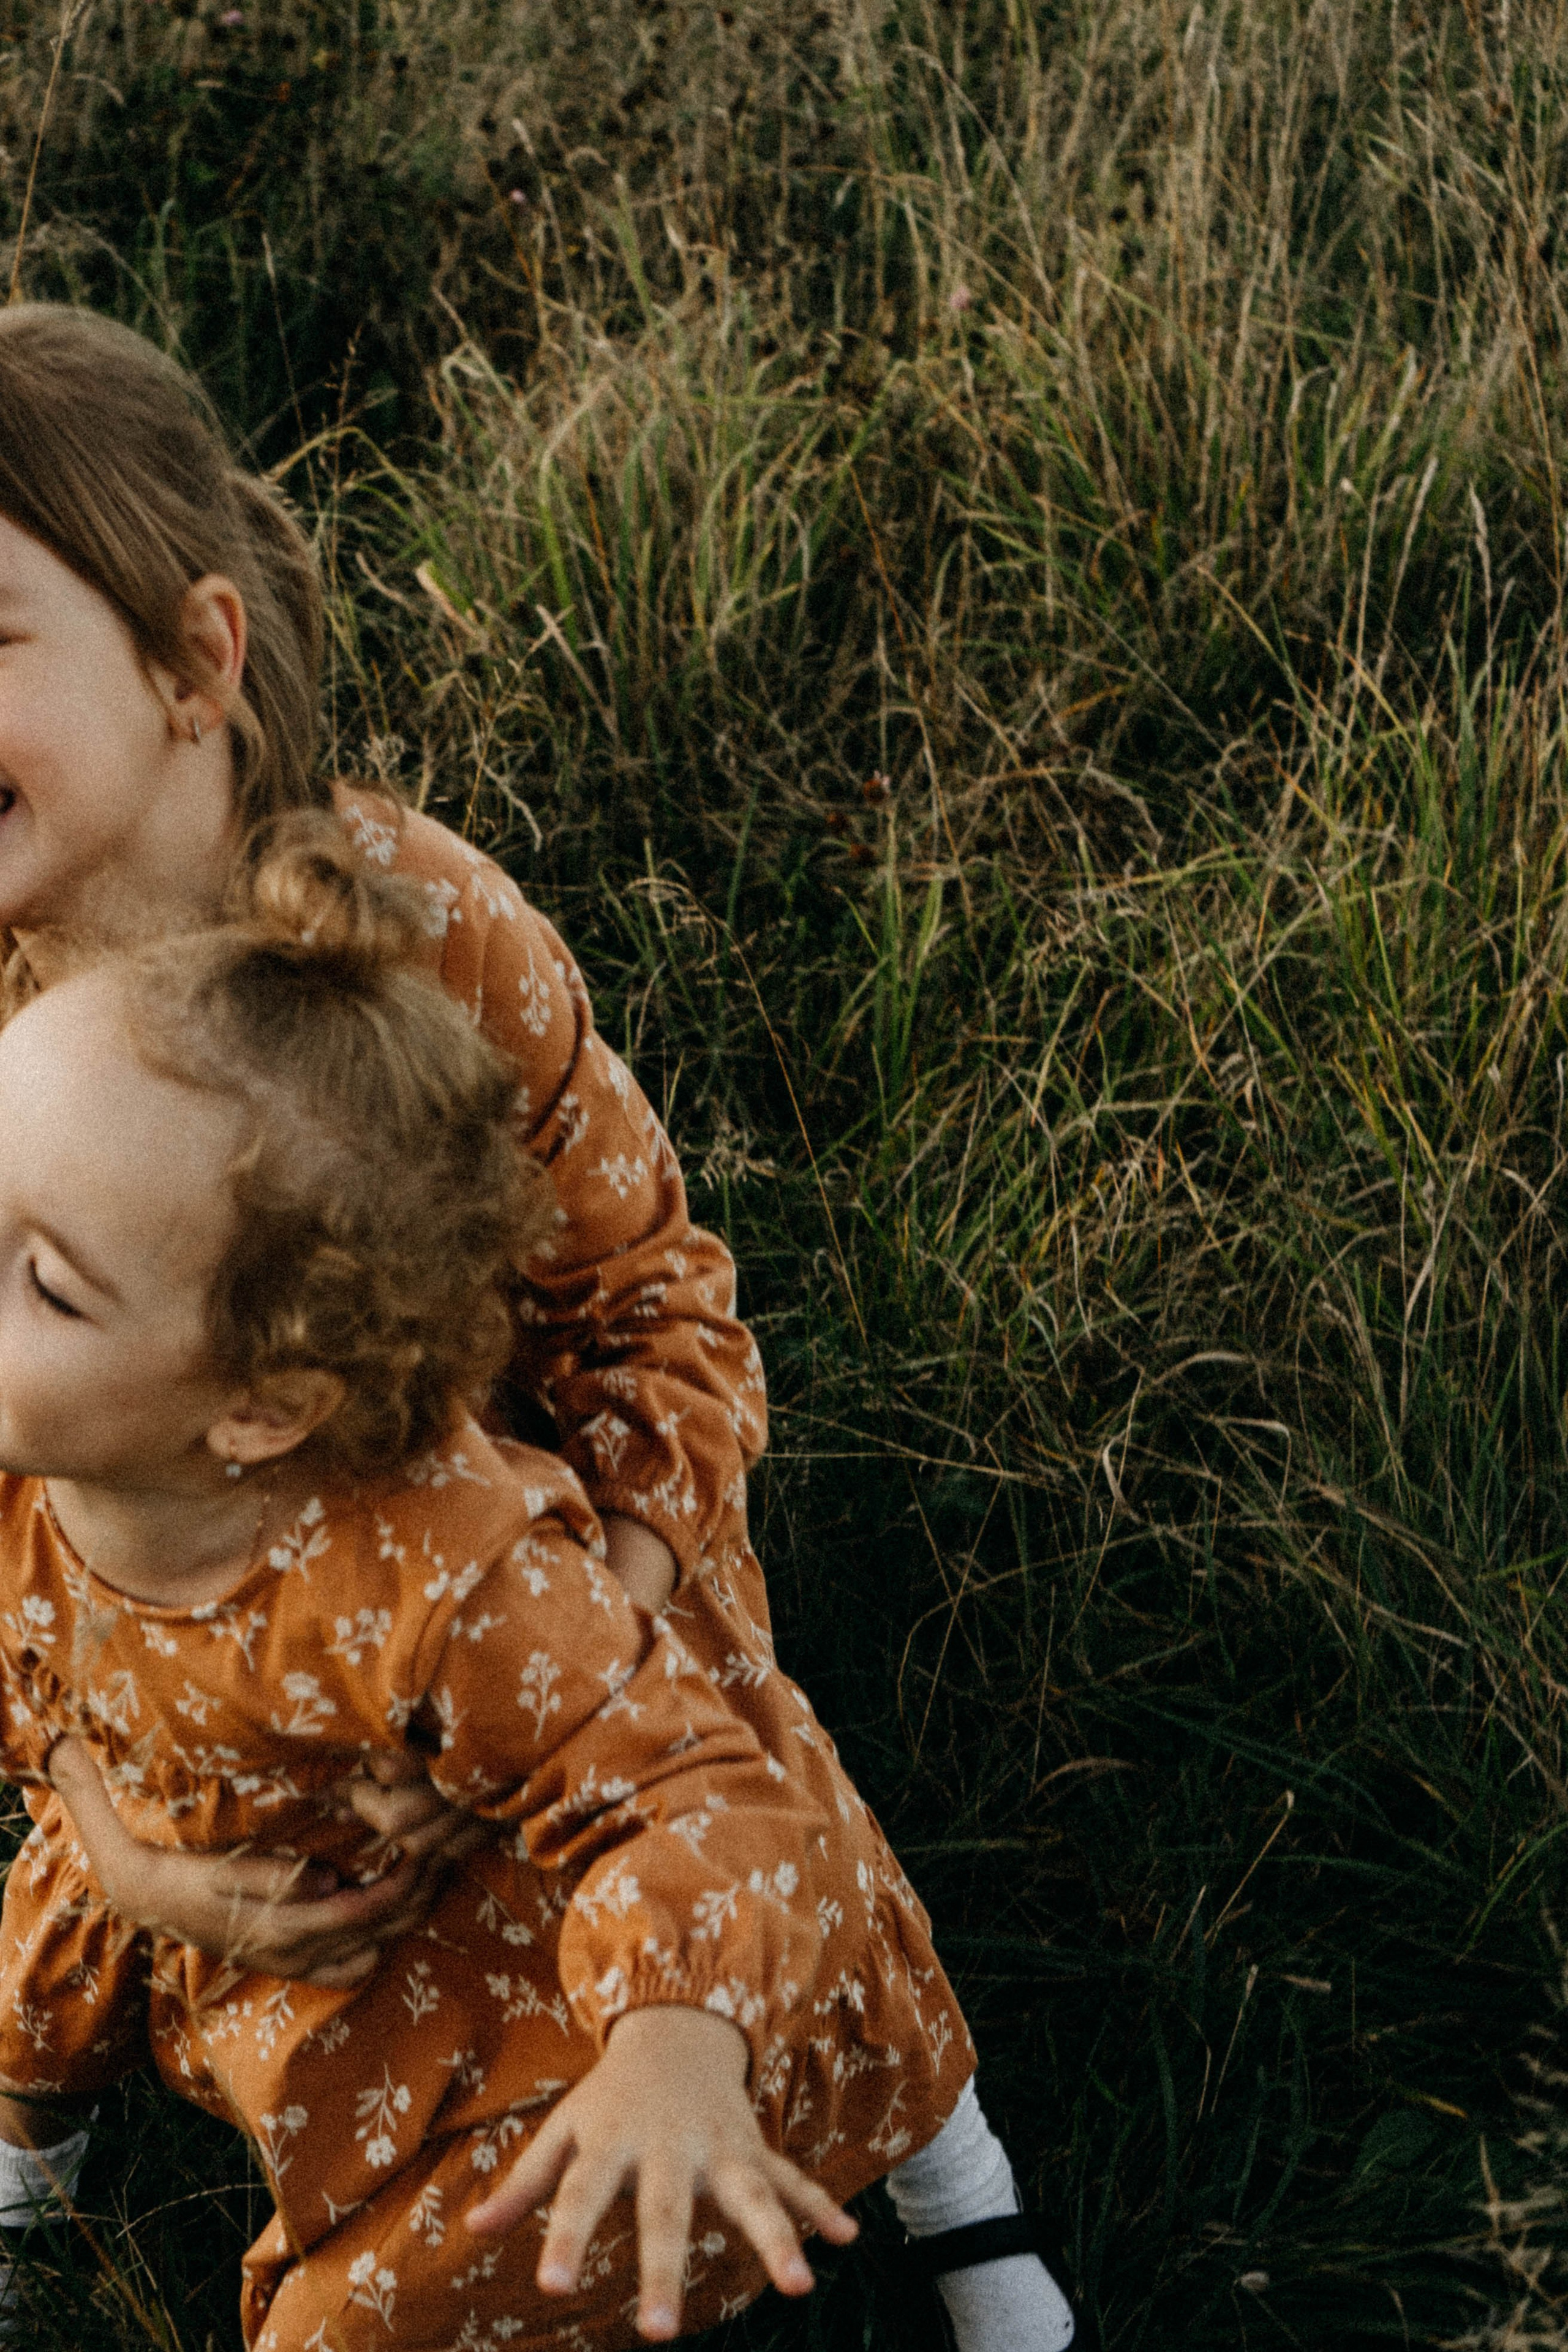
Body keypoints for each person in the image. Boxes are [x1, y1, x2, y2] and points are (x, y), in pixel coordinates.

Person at [0, 302, 1076, 2350]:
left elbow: (653, 1310)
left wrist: (614, 1596)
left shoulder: (424, 934)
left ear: (195, 663)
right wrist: (116, 1825)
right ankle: (73, 2107)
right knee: (186, 1928)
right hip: (175, 1623)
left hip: (531, 1587)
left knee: (737, 1826)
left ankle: (936, 2148)